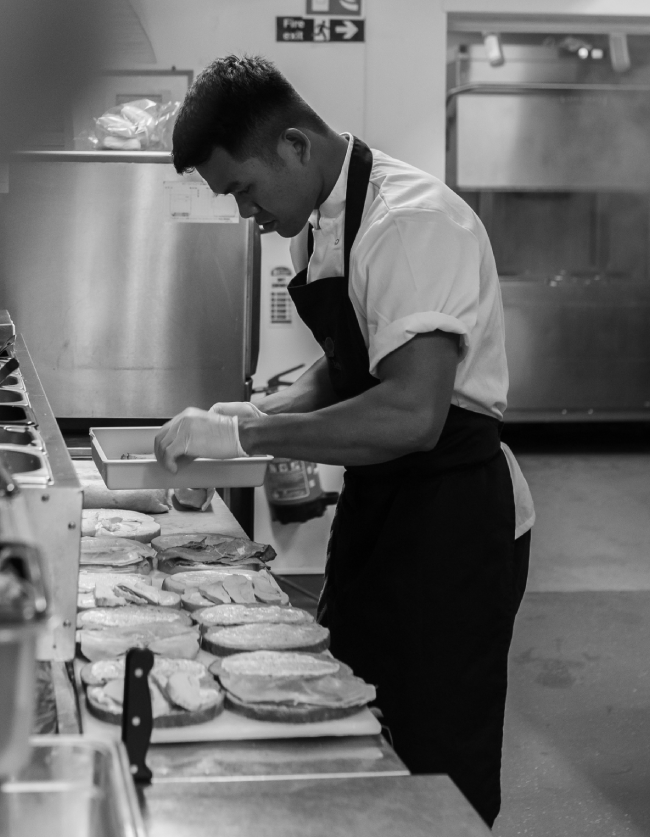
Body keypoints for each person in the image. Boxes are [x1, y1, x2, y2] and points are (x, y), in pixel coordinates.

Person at [153, 54, 533, 826]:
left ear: (294, 145)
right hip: (385, 509)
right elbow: (353, 363)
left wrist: (246, 430)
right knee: (350, 710)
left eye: (245, 191)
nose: (245, 215)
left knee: (434, 753)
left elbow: (410, 413)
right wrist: (257, 409)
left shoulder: (410, 222)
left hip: (452, 520)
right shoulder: (323, 225)